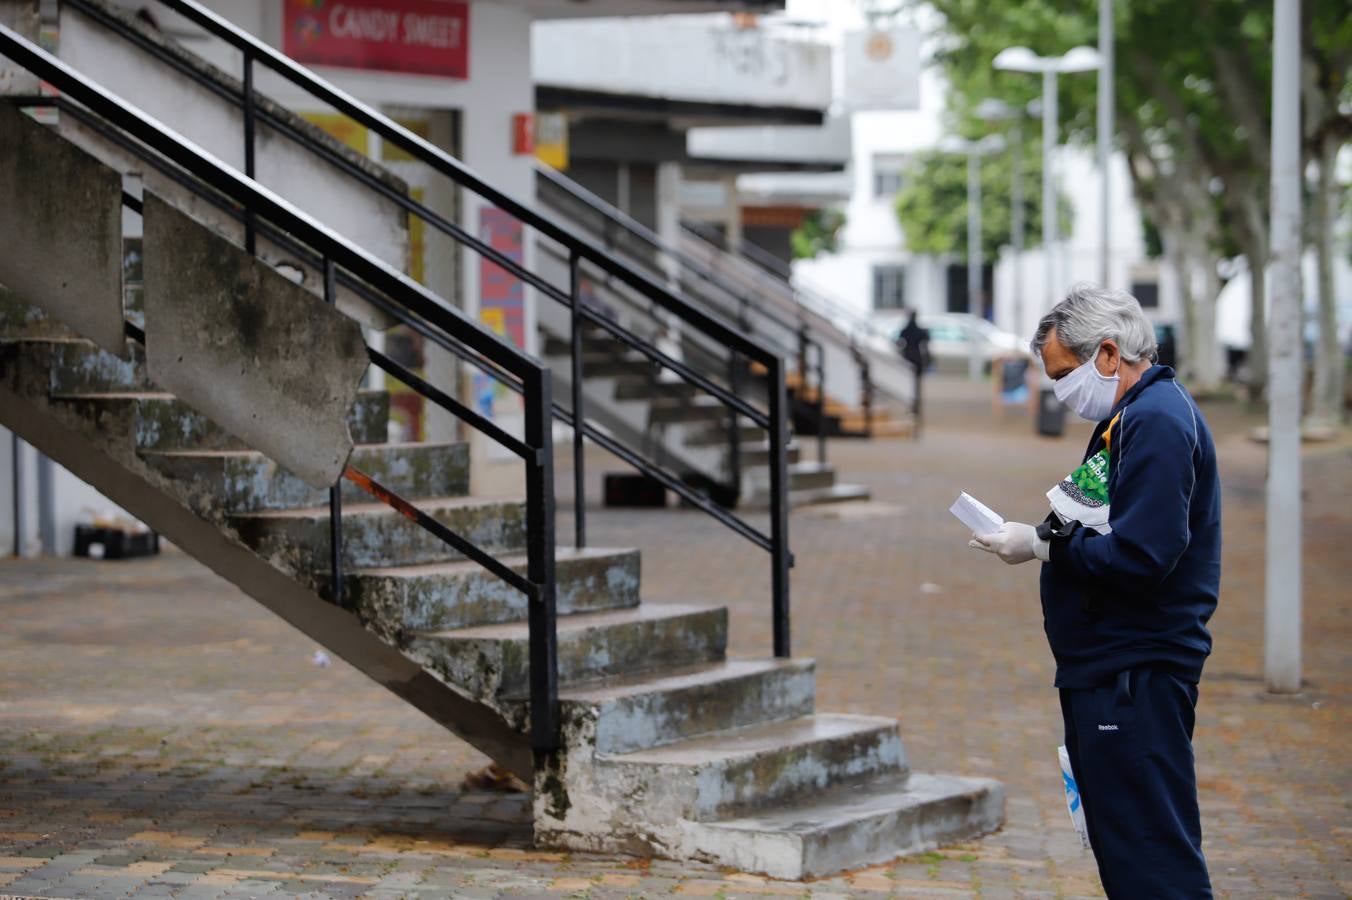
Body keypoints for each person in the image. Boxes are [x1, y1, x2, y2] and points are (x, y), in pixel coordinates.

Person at [969, 285, 1219, 899]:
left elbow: (1143, 553)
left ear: (1107, 355)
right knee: (1128, 849)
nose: (1059, 391)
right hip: (1110, 667)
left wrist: (1042, 546)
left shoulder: (1156, 421)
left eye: (1062, 373)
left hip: (1134, 671)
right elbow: (1097, 517)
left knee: (1151, 857)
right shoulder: (1131, 418)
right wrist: (1040, 537)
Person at [895, 309, 930, 433]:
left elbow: (898, 344)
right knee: (916, 386)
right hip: (917, 359)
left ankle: (911, 407)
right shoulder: (920, 331)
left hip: (907, 359)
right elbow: (926, 346)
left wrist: (901, 354)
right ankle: (915, 408)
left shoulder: (905, 330)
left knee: (908, 386)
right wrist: (927, 360)